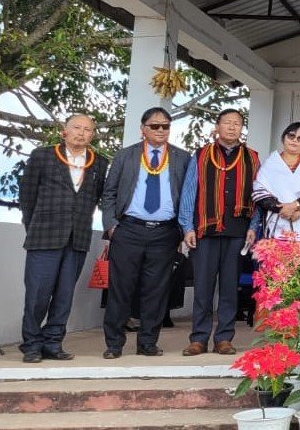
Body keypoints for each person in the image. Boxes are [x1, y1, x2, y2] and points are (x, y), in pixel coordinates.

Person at [99, 107, 191, 359]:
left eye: (165, 126)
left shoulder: (182, 157)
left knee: (156, 290)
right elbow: (109, 193)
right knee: (121, 288)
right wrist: (111, 226)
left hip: (165, 232)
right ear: (143, 129)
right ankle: (114, 344)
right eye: (155, 126)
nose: (161, 130)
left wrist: (184, 230)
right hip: (129, 229)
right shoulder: (125, 155)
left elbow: (189, 196)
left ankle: (148, 342)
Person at [18, 114, 110, 363]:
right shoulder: (42, 155)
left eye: (88, 129)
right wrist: (34, 227)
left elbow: (97, 198)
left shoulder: (99, 163)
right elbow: (27, 196)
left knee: (64, 296)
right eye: (76, 127)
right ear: (64, 131)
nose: (81, 132)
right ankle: (31, 344)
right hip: (43, 236)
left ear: (92, 135)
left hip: (77, 238)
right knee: (37, 295)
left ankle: (53, 343)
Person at [178, 109, 261, 357]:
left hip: (238, 231)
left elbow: (258, 195)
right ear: (217, 126)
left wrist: (253, 227)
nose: (232, 127)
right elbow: (189, 192)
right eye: (227, 123)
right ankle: (198, 338)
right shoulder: (201, 155)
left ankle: (224, 338)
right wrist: (187, 227)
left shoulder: (252, 157)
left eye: (237, 123)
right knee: (203, 288)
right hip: (205, 231)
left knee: (229, 288)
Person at [253, 122, 300, 241]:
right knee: (275, 252)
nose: (294, 140)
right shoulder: (270, 164)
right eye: (291, 136)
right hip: (276, 222)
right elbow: (259, 193)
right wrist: (283, 210)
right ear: (283, 138)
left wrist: (296, 206)